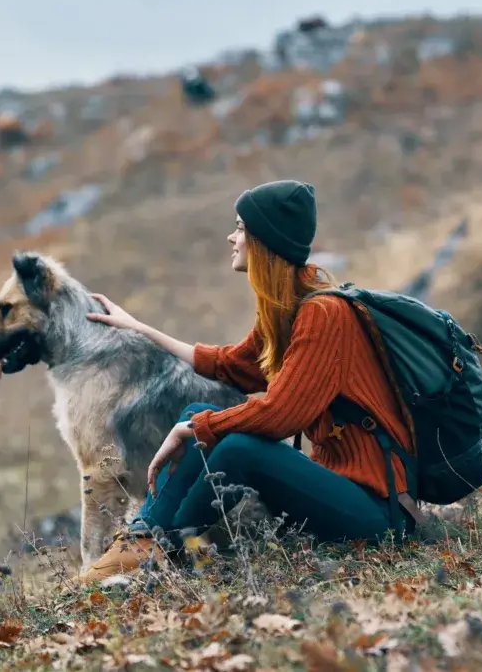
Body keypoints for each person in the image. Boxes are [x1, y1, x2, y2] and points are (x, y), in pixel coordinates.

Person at [79, 179, 420, 584]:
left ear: (265, 239)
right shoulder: (288, 309)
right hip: (337, 491)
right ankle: (142, 541)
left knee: (236, 446)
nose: (231, 236)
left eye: (240, 227)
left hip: (378, 514)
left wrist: (194, 430)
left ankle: (159, 555)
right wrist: (138, 329)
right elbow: (230, 364)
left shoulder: (325, 315)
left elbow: (281, 416)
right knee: (198, 413)